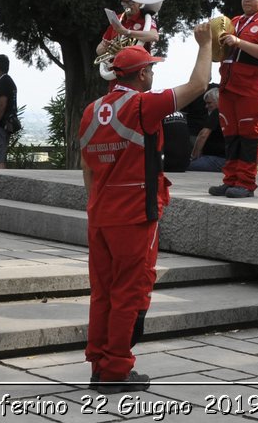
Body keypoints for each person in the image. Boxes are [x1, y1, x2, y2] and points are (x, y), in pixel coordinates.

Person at [80, 23, 213, 392]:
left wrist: (94, 207)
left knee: (103, 291)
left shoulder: (92, 110)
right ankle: (116, 371)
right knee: (128, 292)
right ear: (140, 74)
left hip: (101, 215)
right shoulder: (142, 105)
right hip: (135, 214)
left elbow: (87, 167)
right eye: (151, 69)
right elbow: (199, 86)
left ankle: (98, 363)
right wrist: (205, 46)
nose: (153, 74)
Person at [210, 0, 258, 198]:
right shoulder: (234, 21)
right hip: (229, 86)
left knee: (249, 136)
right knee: (231, 135)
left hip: (253, 89)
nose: (247, 0)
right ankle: (230, 179)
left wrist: (239, 42)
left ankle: (246, 183)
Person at [97, 0, 161, 64]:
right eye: (124, 2)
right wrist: (106, 47)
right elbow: (98, 50)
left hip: (139, 65)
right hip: (116, 67)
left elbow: (154, 36)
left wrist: (126, 32)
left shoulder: (146, 19)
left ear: (140, 3)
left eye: (131, 2)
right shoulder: (117, 19)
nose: (127, 5)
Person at [186, 86, 226, 171]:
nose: (206, 106)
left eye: (209, 103)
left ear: (219, 100)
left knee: (183, 165)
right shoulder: (227, 113)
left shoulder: (217, 112)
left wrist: (193, 156)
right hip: (226, 159)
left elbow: (203, 135)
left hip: (216, 159)